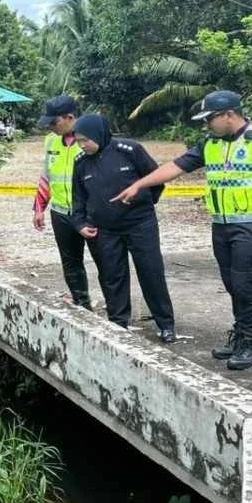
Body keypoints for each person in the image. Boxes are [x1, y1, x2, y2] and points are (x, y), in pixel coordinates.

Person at [111, 90, 252, 370]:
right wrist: (140, 184)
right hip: (222, 224)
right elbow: (176, 166)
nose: (206, 125)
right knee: (233, 284)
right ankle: (241, 334)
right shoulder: (211, 143)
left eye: (210, 119)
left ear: (229, 114)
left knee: (247, 286)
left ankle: (250, 344)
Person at [70, 113, 177, 342]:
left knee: (151, 272)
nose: (82, 145)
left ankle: (165, 323)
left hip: (140, 224)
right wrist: (80, 224)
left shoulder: (129, 150)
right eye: (78, 140)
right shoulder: (81, 164)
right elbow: (78, 199)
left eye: (85, 139)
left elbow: (156, 180)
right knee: (112, 276)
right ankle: (118, 322)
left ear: (98, 134)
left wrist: (144, 203)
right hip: (105, 230)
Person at [32, 94, 105, 310]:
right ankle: (82, 305)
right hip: (61, 213)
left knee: (106, 262)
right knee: (71, 263)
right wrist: (39, 208)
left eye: (54, 122)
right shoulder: (51, 141)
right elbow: (47, 176)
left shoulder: (92, 139)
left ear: (70, 117)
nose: (50, 127)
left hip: (90, 214)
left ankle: (117, 311)